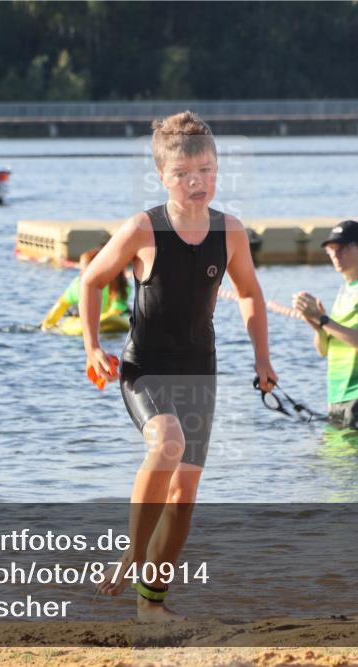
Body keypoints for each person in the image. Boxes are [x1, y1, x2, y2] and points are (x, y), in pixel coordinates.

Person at [80, 111, 277, 622]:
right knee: (167, 442)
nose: (197, 182)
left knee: (184, 496)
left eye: (206, 170)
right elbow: (92, 280)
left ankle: (152, 605)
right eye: (183, 174)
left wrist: (262, 358)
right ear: (162, 176)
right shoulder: (143, 229)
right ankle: (132, 551)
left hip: (198, 371)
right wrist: (92, 347)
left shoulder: (229, 231)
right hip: (144, 368)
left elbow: (250, 294)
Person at [292, 220, 358, 430]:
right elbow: (324, 350)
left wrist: (323, 319)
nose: (335, 254)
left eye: (342, 248)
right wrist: (317, 325)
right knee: (335, 451)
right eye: (330, 249)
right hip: (338, 393)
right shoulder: (345, 290)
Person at [40, 248, 130, 330]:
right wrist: (47, 324)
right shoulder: (77, 285)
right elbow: (61, 305)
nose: (80, 273)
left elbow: (116, 309)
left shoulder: (118, 284)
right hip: (79, 315)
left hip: (114, 317)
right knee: (72, 310)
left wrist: (106, 319)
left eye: (83, 269)